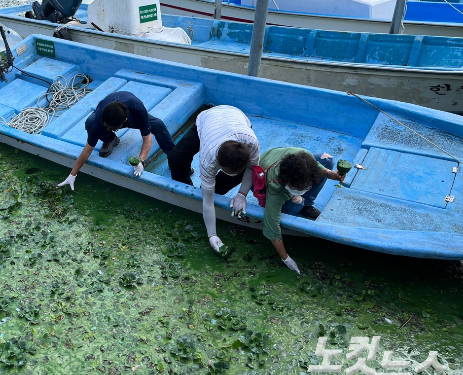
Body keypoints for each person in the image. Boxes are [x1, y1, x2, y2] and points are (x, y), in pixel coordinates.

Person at [168, 105, 260, 253]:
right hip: (207, 120)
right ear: (218, 161)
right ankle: (188, 192)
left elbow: (252, 168)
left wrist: (242, 194)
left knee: (227, 182)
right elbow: (208, 201)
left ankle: (221, 186)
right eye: (229, 171)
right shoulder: (208, 158)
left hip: (236, 116)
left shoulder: (251, 142)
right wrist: (212, 234)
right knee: (175, 159)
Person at [57, 91, 175, 190]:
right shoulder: (101, 118)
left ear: (124, 122)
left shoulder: (138, 109)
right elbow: (87, 151)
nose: (107, 128)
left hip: (130, 114)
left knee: (158, 125)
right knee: (90, 123)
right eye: (106, 127)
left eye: (111, 129)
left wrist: (141, 161)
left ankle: (174, 159)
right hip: (108, 115)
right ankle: (110, 139)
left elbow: (147, 139)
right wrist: (72, 174)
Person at [257, 147, 346, 274]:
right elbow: (272, 228)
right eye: (297, 188)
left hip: (285, 160)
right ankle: (303, 203)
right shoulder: (275, 187)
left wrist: (330, 174)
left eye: (306, 187)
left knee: (328, 160)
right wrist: (285, 258)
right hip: (265, 173)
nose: (303, 189)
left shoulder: (304, 156)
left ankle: (307, 203)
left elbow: (316, 166)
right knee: (297, 205)